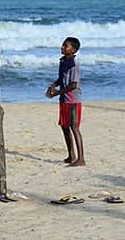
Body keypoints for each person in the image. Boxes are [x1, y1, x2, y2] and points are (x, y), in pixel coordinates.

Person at [45, 36, 85, 166]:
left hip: (73, 100)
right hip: (64, 99)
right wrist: (53, 85)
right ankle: (71, 155)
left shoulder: (74, 64)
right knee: (64, 126)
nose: (62, 47)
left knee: (74, 127)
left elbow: (73, 84)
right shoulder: (63, 61)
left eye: (65, 46)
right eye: (63, 45)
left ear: (73, 50)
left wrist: (57, 92)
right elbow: (61, 79)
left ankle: (81, 159)